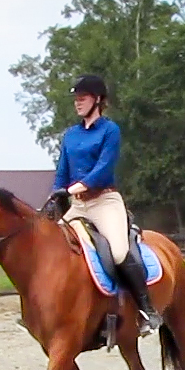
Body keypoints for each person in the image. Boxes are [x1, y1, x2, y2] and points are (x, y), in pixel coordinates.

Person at [45, 74, 163, 336]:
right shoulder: (71, 135)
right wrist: (57, 193)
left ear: (97, 100)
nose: (77, 103)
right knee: (52, 247)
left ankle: (146, 311)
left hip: (104, 201)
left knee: (119, 252)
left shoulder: (110, 131)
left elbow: (102, 169)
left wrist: (74, 188)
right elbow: (62, 172)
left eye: (82, 98)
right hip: (77, 205)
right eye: (76, 99)